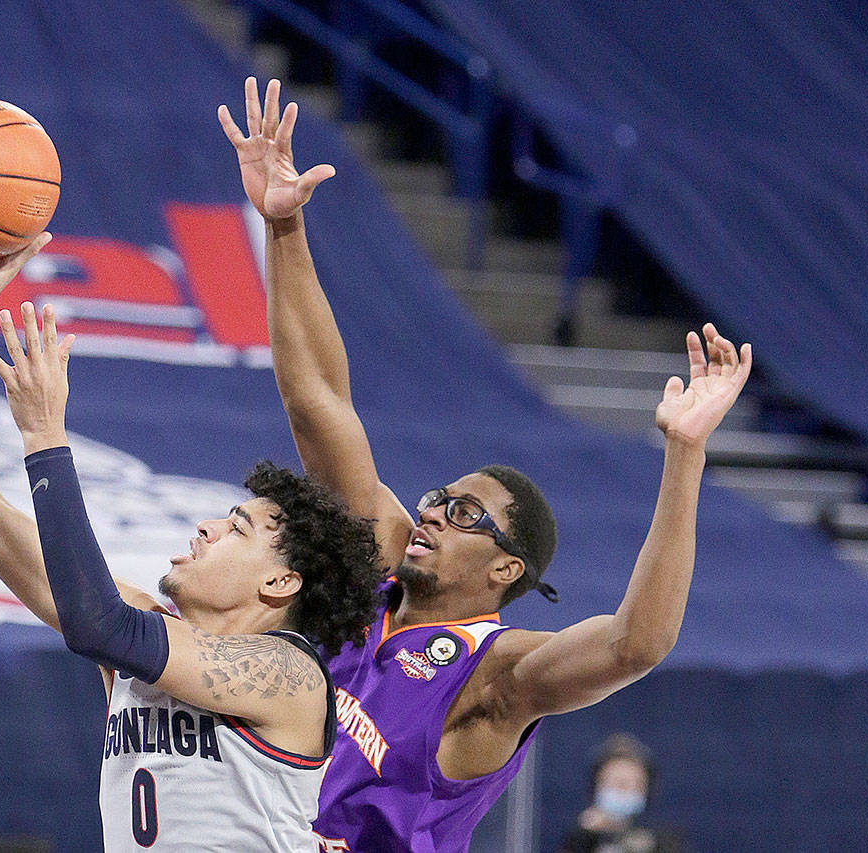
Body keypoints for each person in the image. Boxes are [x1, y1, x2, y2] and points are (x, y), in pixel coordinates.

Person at [216, 76, 753, 853]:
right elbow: (319, 404)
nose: (432, 511)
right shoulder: (379, 562)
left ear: (507, 569)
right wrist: (285, 227)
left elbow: (636, 643)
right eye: (441, 496)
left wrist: (685, 453)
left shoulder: (493, 676)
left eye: (466, 514)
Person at [0, 245, 383, 851]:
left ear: (280, 583)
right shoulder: (145, 634)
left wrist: (45, 436)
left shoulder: (291, 675)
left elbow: (98, 624)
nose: (206, 527)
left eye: (237, 528)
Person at [556, 733, 684, 853]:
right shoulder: (581, 837)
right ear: (597, 785)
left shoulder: (664, 840)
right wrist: (585, 835)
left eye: (632, 784)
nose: (623, 791)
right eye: (618, 783)